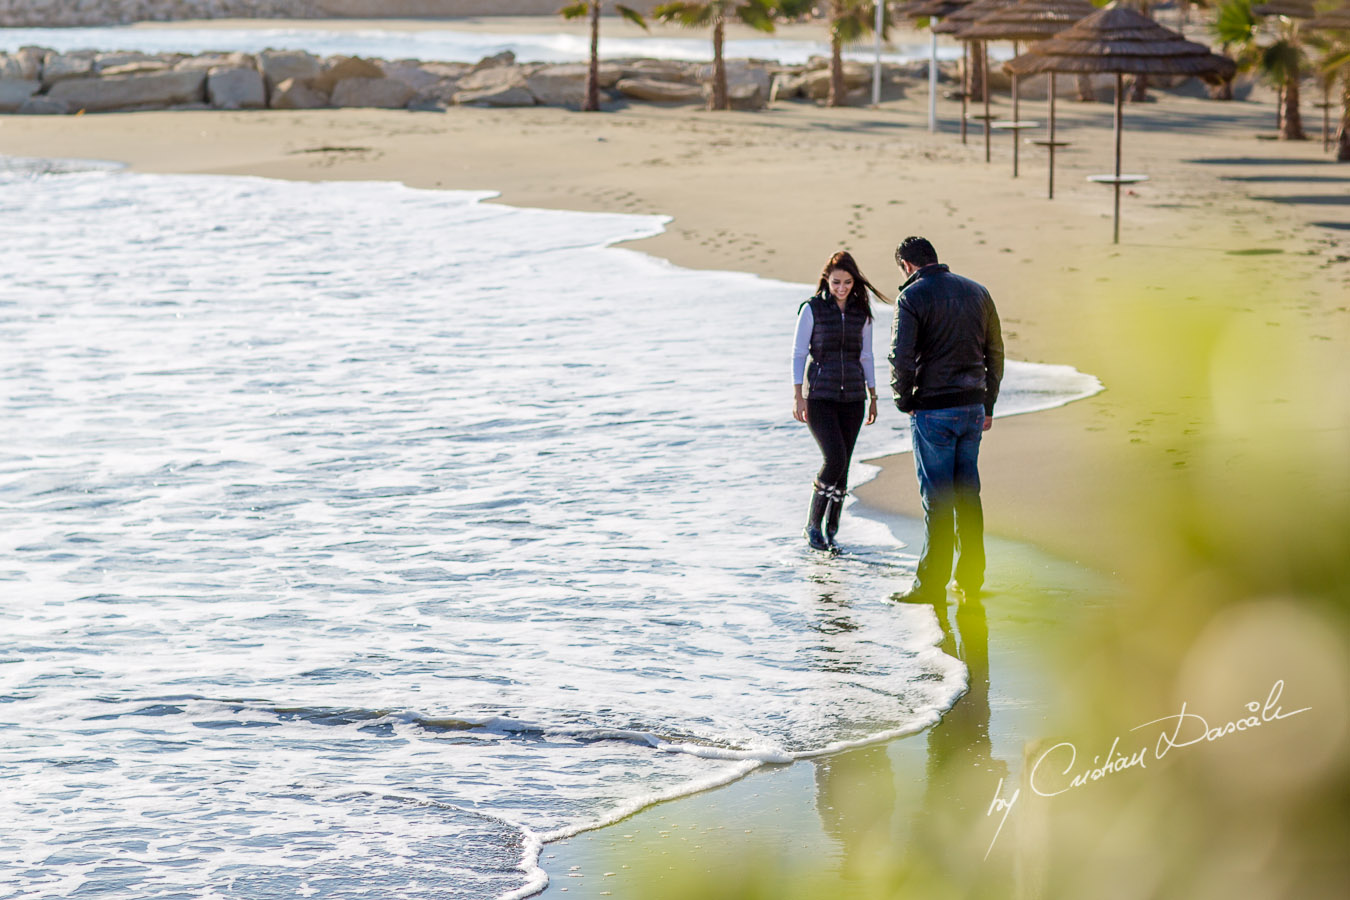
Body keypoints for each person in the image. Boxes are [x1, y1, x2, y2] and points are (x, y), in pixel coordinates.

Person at [888, 236, 1003, 600]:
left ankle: (929, 586)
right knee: (968, 495)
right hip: (971, 407)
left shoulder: (911, 297)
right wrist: (988, 404)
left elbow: (900, 357)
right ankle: (970, 580)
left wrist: (903, 399)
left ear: (907, 265)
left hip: (933, 409)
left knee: (937, 499)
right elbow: (995, 351)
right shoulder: (977, 291)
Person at [792, 250, 888, 552]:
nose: (842, 288)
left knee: (843, 464)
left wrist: (873, 395)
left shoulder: (862, 312)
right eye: (836, 283)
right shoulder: (812, 309)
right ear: (826, 280)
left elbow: (867, 355)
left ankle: (832, 530)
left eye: (847, 282)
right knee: (833, 459)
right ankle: (813, 525)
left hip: (853, 399)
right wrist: (798, 396)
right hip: (820, 396)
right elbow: (798, 354)